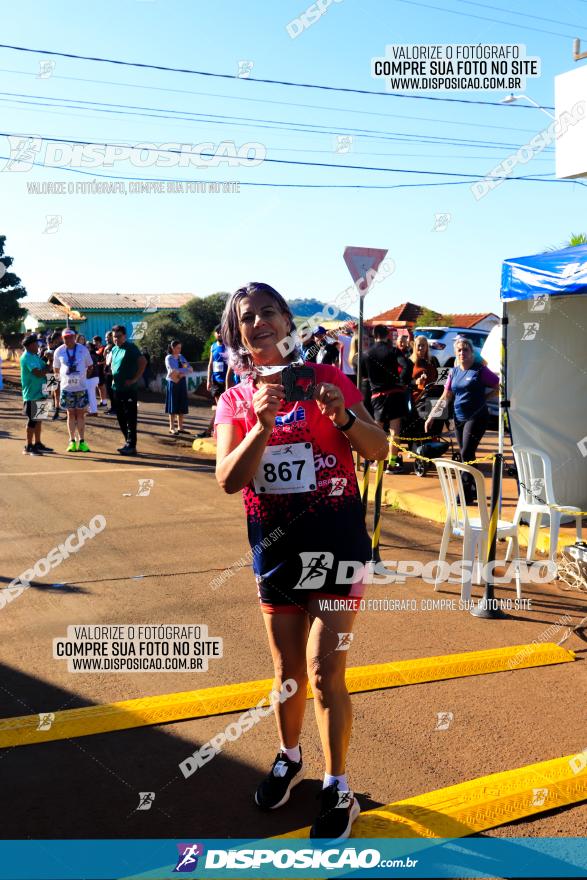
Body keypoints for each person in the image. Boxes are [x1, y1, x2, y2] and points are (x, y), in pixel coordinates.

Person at [215, 282, 387, 840]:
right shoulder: (234, 400)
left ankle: (339, 788)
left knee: (322, 670)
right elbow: (228, 479)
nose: (260, 322)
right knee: (286, 672)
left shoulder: (330, 379)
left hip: (336, 547)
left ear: (288, 319)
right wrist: (261, 426)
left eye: (269, 311)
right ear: (236, 331)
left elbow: (378, 447)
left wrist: (341, 417)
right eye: (248, 317)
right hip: (275, 549)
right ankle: (289, 757)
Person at [425, 335, 499, 504]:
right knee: (467, 454)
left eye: (466, 349)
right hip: (458, 417)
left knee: (466, 452)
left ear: (472, 353)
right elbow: (446, 395)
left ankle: (465, 493)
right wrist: (431, 416)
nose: (462, 352)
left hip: (477, 417)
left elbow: (498, 386)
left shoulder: (479, 370)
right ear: (456, 353)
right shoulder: (454, 372)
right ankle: (474, 487)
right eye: (459, 350)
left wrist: (485, 398)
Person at [363, 325, 409, 474]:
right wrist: (401, 380)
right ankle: (393, 463)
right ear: (387, 335)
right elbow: (407, 365)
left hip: (377, 395)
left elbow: (362, 373)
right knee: (395, 431)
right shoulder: (393, 351)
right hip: (395, 392)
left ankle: (378, 461)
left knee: (378, 431)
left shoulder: (367, 353)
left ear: (374, 335)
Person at [53, 328, 94, 452]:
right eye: (65, 337)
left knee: (81, 414)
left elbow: (90, 366)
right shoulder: (59, 351)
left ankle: (81, 441)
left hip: (81, 387)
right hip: (67, 389)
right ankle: (71, 441)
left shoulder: (83, 349)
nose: (68, 339)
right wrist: (62, 380)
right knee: (70, 414)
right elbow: (55, 369)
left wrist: (83, 377)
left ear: (74, 337)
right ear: (62, 338)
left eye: (70, 337)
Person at [111, 324, 147, 455]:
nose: (116, 339)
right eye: (114, 337)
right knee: (120, 417)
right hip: (117, 388)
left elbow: (143, 362)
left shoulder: (131, 348)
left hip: (129, 389)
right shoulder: (114, 349)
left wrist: (134, 379)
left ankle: (131, 445)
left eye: (118, 337)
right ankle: (128, 442)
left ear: (124, 336)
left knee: (130, 417)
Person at [20, 334, 54, 455]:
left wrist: (50, 360)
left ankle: (37, 443)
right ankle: (28, 446)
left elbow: (47, 368)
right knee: (32, 420)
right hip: (31, 394)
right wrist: (48, 364)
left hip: (41, 392)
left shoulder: (35, 356)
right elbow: (39, 373)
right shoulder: (26, 357)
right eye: (36, 344)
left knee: (39, 419)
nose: (38, 346)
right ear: (30, 345)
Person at [199, 325, 228, 438]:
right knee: (220, 406)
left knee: (221, 407)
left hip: (226, 382)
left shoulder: (228, 346)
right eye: (217, 332)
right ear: (215, 334)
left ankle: (210, 431)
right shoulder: (213, 347)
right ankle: (213, 431)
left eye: (221, 332)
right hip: (216, 381)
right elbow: (210, 364)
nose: (219, 334)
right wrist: (208, 380)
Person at [165, 340, 192, 434]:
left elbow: (190, 369)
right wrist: (184, 371)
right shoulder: (169, 358)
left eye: (180, 347)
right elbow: (174, 370)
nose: (179, 349)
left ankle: (181, 427)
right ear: (172, 348)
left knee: (182, 404)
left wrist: (182, 373)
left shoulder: (181, 357)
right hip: (173, 382)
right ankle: (172, 428)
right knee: (173, 405)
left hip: (182, 382)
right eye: (177, 348)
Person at [410, 335, 438, 403]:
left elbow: (443, 377)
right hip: (417, 397)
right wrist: (415, 382)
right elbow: (404, 380)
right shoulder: (410, 361)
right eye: (419, 345)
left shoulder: (433, 359)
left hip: (433, 396)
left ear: (427, 347)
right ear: (415, 347)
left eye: (423, 345)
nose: (421, 348)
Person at [43, 332, 62, 419]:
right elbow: (41, 362)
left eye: (51, 342)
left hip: (56, 373)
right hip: (48, 373)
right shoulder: (44, 351)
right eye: (49, 343)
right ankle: (45, 410)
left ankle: (56, 408)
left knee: (56, 391)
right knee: (47, 392)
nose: (50, 344)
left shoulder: (58, 349)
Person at [85, 342, 101, 415]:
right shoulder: (93, 355)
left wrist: (87, 376)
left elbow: (90, 368)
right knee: (92, 395)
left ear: (91, 348)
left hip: (91, 377)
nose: (86, 348)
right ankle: (93, 410)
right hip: (94, 377)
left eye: (88, 347)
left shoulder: (90, 356)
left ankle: (93, 411)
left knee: (90, 395)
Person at [103, 331, 116, 414]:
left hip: (113, 372)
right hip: (108, 371)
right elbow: (105, 357)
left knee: (113, 391)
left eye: (108, 337)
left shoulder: (114, 347)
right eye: (106, 337)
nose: (107, 339)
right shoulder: (107, 347)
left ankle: (115, 409)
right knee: (109, 391)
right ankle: (112, 407)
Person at [92, 336, 108, 406]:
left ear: (98, 342)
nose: (94, 343)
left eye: (94, 342)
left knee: (102, 386)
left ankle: (104, 402)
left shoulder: (104, 348)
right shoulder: (95, 349)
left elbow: (107, 360)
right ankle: (102, 401)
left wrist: (99, 363)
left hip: (102, 370)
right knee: (98, 386)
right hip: (96, 371)